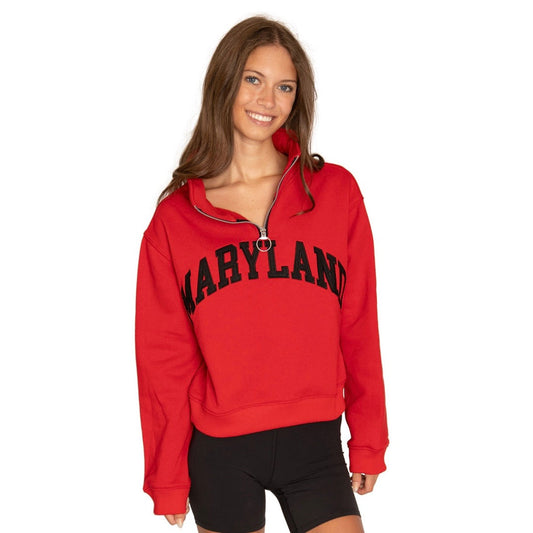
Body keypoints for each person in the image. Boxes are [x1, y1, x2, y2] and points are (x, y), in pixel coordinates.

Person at [135, 15, 389, 533]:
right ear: (225, 82)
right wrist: (167, 475)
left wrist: (368, 437)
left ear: (298, 98)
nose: (267, 100)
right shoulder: (175, 220)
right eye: (253, 79)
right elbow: (164, 360)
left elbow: (359, 322)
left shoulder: (334, 192)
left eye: (284, 87)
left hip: (315, 442)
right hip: (221, 451)